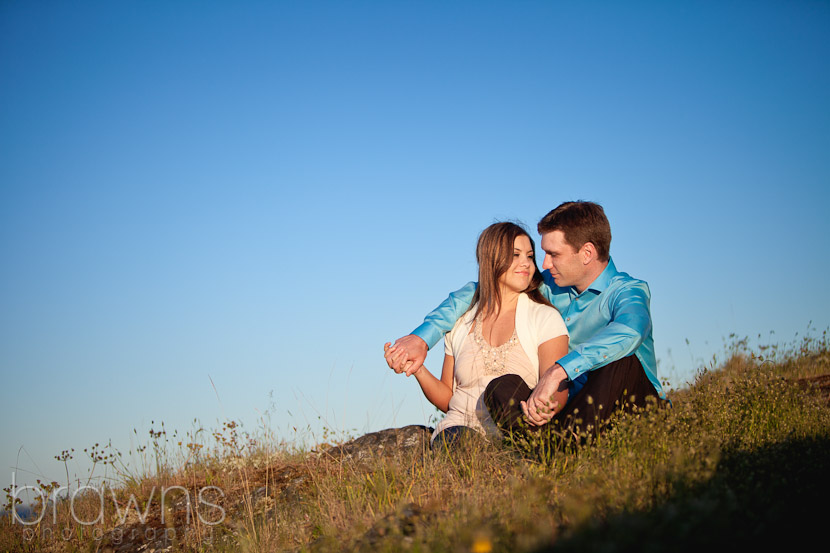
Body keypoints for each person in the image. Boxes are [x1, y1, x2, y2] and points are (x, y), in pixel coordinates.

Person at [385, 201, 667, 445]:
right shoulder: (550, 288)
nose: (544, 264)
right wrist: (422, 339)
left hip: (630, 401)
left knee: (619, 364)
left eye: (553, 254)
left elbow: (631, 330)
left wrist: (559, 370)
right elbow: (482, 291)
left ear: (587, 253)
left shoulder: (628, 291)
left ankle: (556, 451)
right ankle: (545, 449)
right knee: (503, 386)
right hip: (574, 410)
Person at [384, 221, 580, 448]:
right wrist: (417, 370)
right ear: (492, 259)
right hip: (460, 428)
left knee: (505, 388)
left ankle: (520, 459)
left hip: (515, 430)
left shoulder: (545, 317)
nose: (526, 263)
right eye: (515, 255)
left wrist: (544, 409)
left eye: (529, 256)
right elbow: (449, 399)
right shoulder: (460, 323)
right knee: (456, 446)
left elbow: (557, 389)